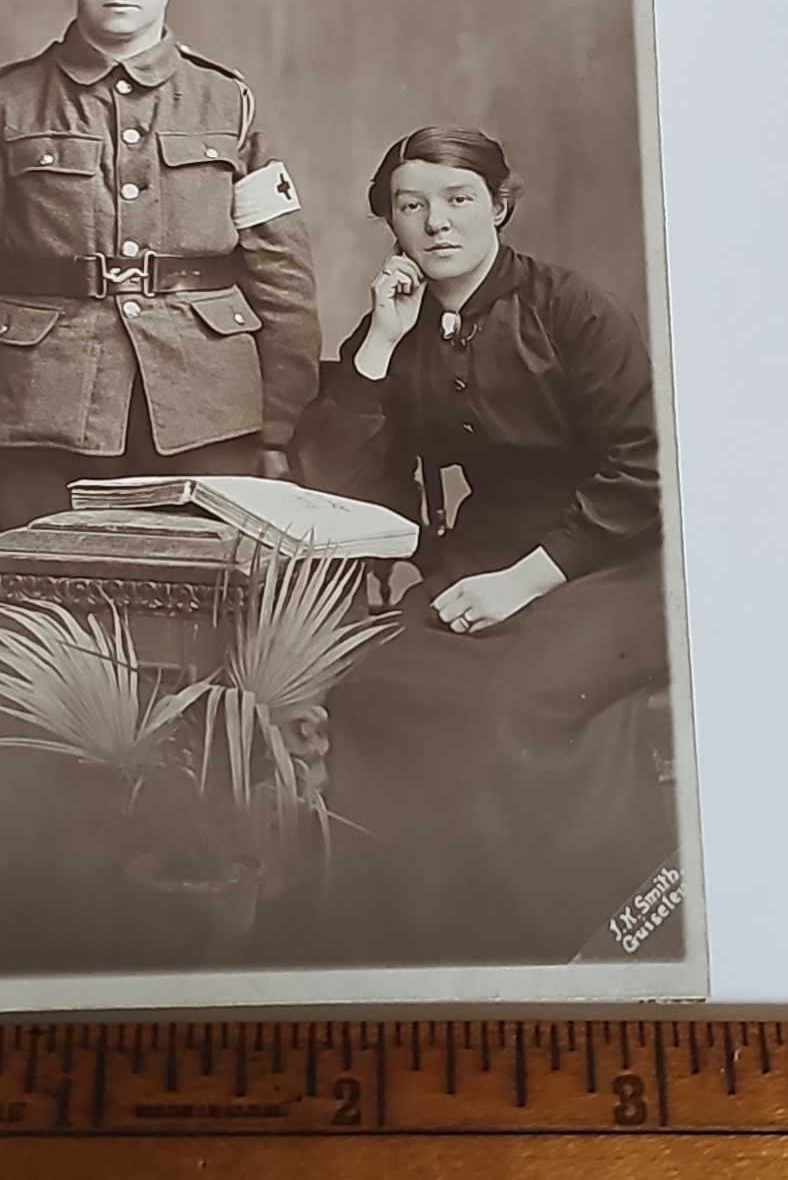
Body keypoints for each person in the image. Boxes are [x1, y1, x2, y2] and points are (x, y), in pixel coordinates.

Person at [289, 126, 676, 966]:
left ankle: (545, 948)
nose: (436, 224)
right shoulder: (401, 321)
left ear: (498, 206)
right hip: (483, 552)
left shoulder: (571, 308)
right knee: (367, 690)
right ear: (390, 222)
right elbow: (341, 481)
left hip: (616, 559)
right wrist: (383, 343)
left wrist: (524, 582)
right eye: (411, 205)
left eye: (459, 200)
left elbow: (646, 469)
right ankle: (410, 948)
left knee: (511, 709)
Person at [0, 0, 320, 531]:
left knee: (202, 621)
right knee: (47, 618)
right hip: (39, 420)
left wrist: (280, 432)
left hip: (209, 416)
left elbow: (282, 276)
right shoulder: (6, 103)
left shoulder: (228, 101)